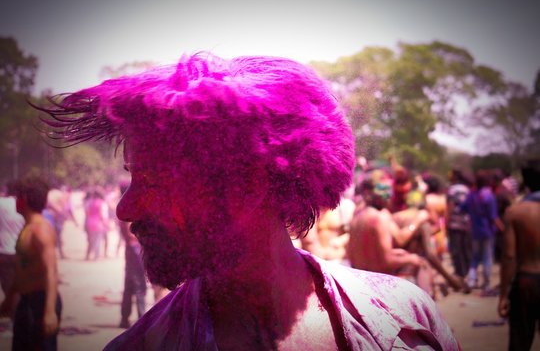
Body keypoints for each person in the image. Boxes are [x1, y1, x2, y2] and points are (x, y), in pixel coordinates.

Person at [35, 52, 459, 350]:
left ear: (248, 185)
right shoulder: (141, 346)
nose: (125, 208)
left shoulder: (407, 322)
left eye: (154, 180)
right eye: (133, 177)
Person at [0, 176, 62, 351]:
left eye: (17, 196)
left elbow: (51, 272)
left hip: (41, 302)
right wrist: (10, 298)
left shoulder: (40, 230)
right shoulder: (26, 229)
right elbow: (22, 270)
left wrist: (49, 312)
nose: (15, 201)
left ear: (25, 199)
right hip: (26, 301)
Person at [498, 159, 540, 351]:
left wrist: (504, 295)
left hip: (526, 283)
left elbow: (509, 256)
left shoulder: (515, 212)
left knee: (520, 343)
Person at [463, 169, 499, 292]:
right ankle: (486, 284)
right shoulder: (489, 195)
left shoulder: (471, 195)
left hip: (475, 231)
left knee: (475, 257)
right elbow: (493, 217)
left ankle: (472, 281)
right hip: (488, 231)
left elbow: (463, 208)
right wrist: (503, 228)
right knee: (487, 258)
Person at [118, 181, 147, 329]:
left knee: (129, 285)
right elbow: (130, 235)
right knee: (139, 285)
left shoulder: (123, 205)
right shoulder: (129, 206)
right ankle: (142, 318)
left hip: (131, 250)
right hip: (135, 249)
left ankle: (124, 317)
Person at [445, 169, 473, 292]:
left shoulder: (452, 190)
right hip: (466, 224)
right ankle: (466, 274)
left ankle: (460, 276)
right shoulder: (467, 189)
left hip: (455, 224)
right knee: (466, 249)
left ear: (455, 177)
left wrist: (446, 223)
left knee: (456, 251)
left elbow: (450, 207)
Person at [0, 181, 25, 315]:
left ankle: (15, 316)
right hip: (22, 252)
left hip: (4, 252)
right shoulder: (24, 205)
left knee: (8, 287)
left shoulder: (1, 204)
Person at [83, 190, 109, 261]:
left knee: (91, 240)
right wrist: (106, 224)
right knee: (98, 240)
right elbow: (103, 215)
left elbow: (87, 213)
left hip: (89, 222)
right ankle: (96, 256)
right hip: (98, 223)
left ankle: (89, 255)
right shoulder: (102, 203)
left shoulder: (89, 202)